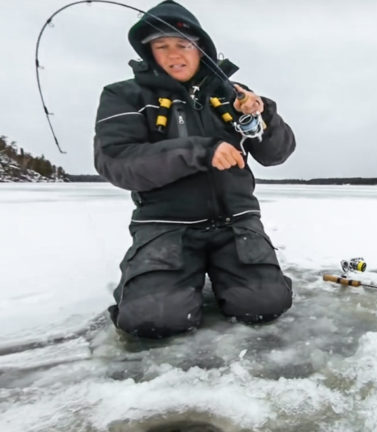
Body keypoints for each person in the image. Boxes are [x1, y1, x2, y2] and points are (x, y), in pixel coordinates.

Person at [93, 0, 295, 339]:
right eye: (163, 46)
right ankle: (165, 281)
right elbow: (117, 162)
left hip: (237, 220)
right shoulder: (123, 95)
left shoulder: (234, 94)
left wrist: (264, 115)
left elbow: (277, 154)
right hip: (165, 224)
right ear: (149, 52)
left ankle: (229, 274)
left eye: (183, 45)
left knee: (265, 304)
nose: (174, 55)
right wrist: (200, 151)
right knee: (153, 320)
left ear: (200, 48)